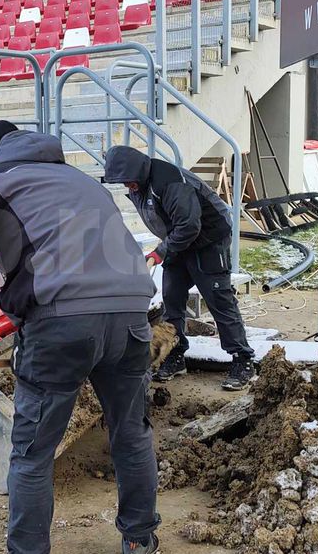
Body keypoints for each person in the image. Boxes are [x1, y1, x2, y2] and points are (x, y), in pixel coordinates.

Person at [0, 121, 162, 554]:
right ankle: (139, 541)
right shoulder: (81, 181)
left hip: (61, 325)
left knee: (31, 455)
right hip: (132, 317)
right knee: (132, 435)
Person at [102, 146, 256, 391]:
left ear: (138, 173)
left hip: (208, 239)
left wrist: (160, 251)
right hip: (179, 241)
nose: (126, 187)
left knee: (219, 298)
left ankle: (242, 359)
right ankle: (176, 353)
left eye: (128, 182)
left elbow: (189, 225)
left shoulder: (170, 182)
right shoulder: (139, 185)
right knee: (172, 296)